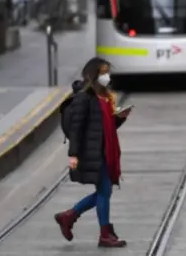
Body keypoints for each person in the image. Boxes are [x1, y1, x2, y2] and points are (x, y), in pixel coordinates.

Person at [54, 57, 131, 248]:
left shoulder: (104, 97)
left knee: (104, 191)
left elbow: (105, 126)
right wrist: (73, 155)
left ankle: (70, 216)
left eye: (107, 72)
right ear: (94, 75)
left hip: (105, 150)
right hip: (93, 152)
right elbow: (76, 128)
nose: (107, 76)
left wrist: (120, 118)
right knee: (104, 191)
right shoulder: (84, 98)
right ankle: (104, 234)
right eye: (103, 72)